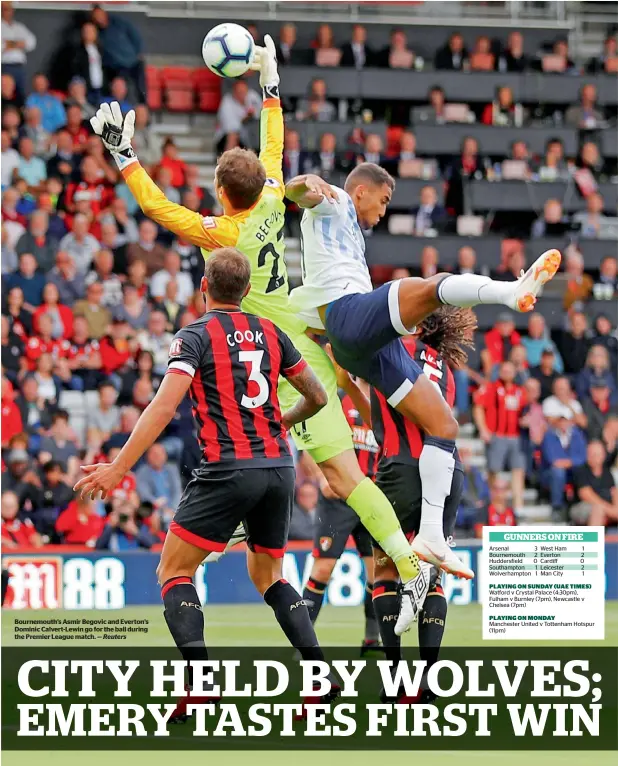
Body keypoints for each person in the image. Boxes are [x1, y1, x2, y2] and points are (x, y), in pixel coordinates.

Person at [89, 37, 426, 634]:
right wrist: (270, 86)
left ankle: (234, 517)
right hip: (297, 336)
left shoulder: (221, 234)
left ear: (222, 195)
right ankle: (407, 560)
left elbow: (160, 210)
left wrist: (124, 156)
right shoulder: (273, 194)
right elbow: (275, 146)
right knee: (345, 475)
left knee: (231, 436)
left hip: (250, 342)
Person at [74, 247, 337, 721]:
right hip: (278, 467)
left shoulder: (194, 336)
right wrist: (280, 423)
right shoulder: (272, 333)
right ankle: (320, 676)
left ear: (203, 288)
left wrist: (117, 468)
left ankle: (203, 685)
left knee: (173, 571)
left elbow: (161, 407)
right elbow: (316, 395)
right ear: (248, 290)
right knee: (270, 577)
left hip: (228, 468)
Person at [285, 161, 560, 577]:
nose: (383, 209)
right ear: (361, 191)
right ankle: (510, 291)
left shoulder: (347, 236)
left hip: (356, 341)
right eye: (384, 199)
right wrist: (310, 184)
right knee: (434, 286)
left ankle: (430, 535)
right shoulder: (337, 202)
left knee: (444, 426)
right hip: (350, 317)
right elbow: (299, 191)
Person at [337, 306, 475, 702]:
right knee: (433, 573)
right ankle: (431, 679)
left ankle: (397, 679)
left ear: (414, 325)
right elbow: (397, 416)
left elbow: (385, 424)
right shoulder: (444, 369)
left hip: (401, 469)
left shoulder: (394, 350)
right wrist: (351, 386)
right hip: (449, 472)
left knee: (383, 568)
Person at [302, 376, 382, 655]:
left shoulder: (385, 401)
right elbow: (308, 440)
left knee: (377, 572)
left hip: (370, 497)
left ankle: (372, 640)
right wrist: (324, 478)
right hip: (338, 500)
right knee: (322, 570)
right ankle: (303, 643)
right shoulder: (335, 398)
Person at [473, 361, 526, 511]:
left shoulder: (519, 391)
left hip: (515, 436)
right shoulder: (491, 387)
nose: (508, 373)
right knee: (493, 470)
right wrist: (483, 429)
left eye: (511, 370)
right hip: (497, 435)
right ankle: (493, 504)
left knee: (518, 469)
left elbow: (524, 410)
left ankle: (518, 506)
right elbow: (478, 407)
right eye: (505, 370)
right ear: (500, 371)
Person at [572, 441, 618, 526]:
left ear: (603, 455)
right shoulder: (581, 471)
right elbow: (586, 495)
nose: (595, 457)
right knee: (598, 509)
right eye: (592, 454)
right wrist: (611, 511)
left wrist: (616, 509)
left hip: (606, 507)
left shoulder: (607, 473)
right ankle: (593, 539)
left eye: (598, 454)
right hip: (583, 507)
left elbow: (614, 492)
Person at [1, 2, 37, 98]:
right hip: (5, 66)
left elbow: (32, 42)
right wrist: (18, 43)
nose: (8, 12)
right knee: (5, 94)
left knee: (20, 94)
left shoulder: (19, 27)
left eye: (10, 9)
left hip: (19, 66)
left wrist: (10, 43)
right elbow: (2, 45)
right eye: (5, 9)